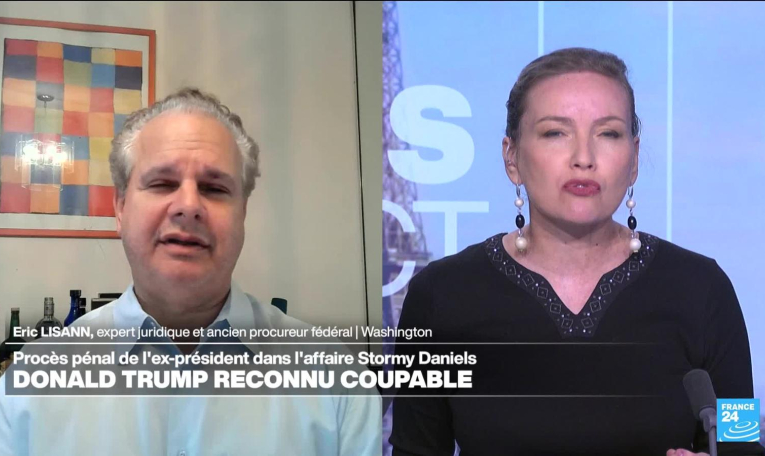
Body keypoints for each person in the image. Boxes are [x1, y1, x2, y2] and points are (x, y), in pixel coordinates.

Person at [389, 48, 764, 456]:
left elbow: (742, 444)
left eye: (608, 134)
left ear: (634, 159)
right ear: (511, 157)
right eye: (555, 133)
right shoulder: (441, 296)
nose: (584, 158)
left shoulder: (704, 289)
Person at [0, 88, 381, 455]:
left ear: (243, 213)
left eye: (214, 188)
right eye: (162, 183)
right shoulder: (27, 390)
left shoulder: (338, 386)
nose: (188, 205)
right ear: (120, 208)